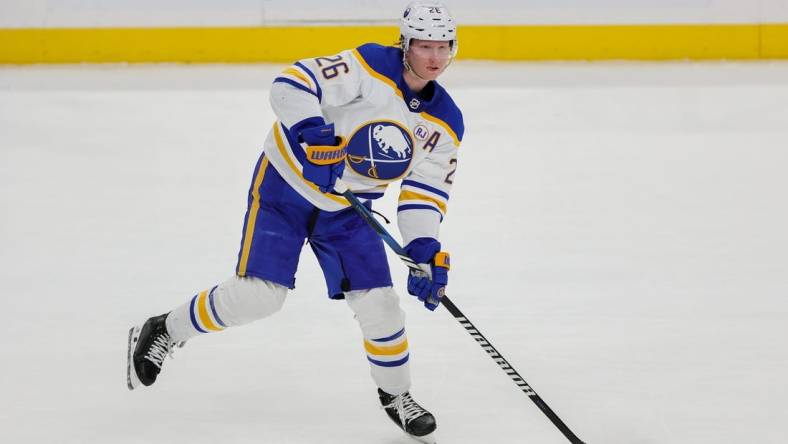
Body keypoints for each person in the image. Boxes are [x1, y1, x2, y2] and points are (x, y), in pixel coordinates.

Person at [126, 2, 463, 442]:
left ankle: (397, 396)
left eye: (443, 46)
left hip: (349, 209)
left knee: (381, 306)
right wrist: (311, 130)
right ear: (405, 45)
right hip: (285, 188)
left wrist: (422, 248)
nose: (434, 57)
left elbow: (424, 192)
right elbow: (291, 82)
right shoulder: (367, 66)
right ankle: (165, 329)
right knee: (259, 297)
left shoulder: (445, 122)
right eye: (424, 45)